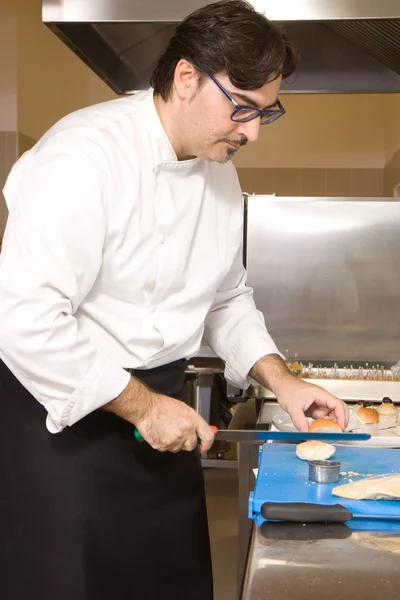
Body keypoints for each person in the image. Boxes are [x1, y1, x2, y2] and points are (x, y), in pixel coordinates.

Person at [0, 1, 349, 599]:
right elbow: (22, 318)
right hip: (64, 430)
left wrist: (283, 381)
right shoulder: (83, 156)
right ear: (186, 79)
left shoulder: (219, 169)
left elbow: (226, 299)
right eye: (242, 108)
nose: (252, 132)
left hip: (164, 419)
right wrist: (142, 408)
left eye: (268, 113)